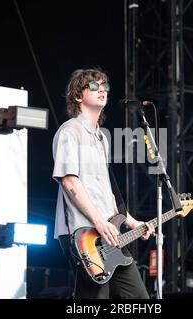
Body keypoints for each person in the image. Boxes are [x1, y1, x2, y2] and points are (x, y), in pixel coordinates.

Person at [52, 68, 155, 299]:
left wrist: (132, 222)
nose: (102, 91)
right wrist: (99, 222)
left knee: (138, 298)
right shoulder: (69, 132)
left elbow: (107, 193)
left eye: (105, 87)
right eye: (94, 86)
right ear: (78, 96)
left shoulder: (101, 138)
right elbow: (69, 181)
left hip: (109, 232)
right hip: (83, 233)